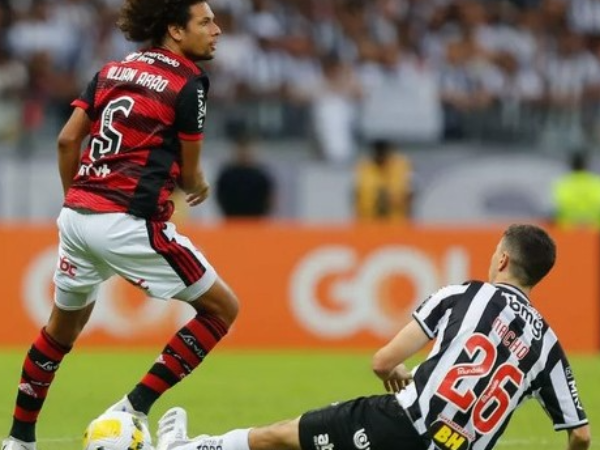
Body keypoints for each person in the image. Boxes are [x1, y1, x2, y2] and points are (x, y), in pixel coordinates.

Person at [2, 2, 240, 450]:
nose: (217, 30)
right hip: (129, 220)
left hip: (77, 216)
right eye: (205, 22)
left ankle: (19, 440)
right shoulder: (189, 82)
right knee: (222, 309)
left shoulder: (112, 70)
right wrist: (199, 184)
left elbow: (67, 140)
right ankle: (131, 408)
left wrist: (78, 199)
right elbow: (190, 175)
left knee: (59, 332)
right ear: (175, 30)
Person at [154, 224, 591, 450]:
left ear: (503, 260)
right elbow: (581, 436)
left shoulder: (466, 295)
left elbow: (383, 362)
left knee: (283, 437)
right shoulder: (549, 349)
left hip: (400, 427)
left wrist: (398, 372)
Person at [215, 129, 275, 218]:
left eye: (247, 149)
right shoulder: (227, 176)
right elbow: (221, 198)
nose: (244, 153)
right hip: (232, 221)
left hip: (256, 222)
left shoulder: (261, 176)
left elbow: (269, 200)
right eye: (241, 148)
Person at [354, 139, 413, 222]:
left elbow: (410, 195)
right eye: (378, 151)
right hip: (368, 221)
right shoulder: (364, 167)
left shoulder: (402, 167)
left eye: (384, 151)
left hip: (396, 222)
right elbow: (356, 194)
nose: (381, 156)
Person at [552, 151, 600, 229]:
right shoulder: (595, 183)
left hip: (568, 230)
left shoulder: (563, 183)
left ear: (571, 165)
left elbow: (556, 208)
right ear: (586, 164)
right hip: (593, 230)